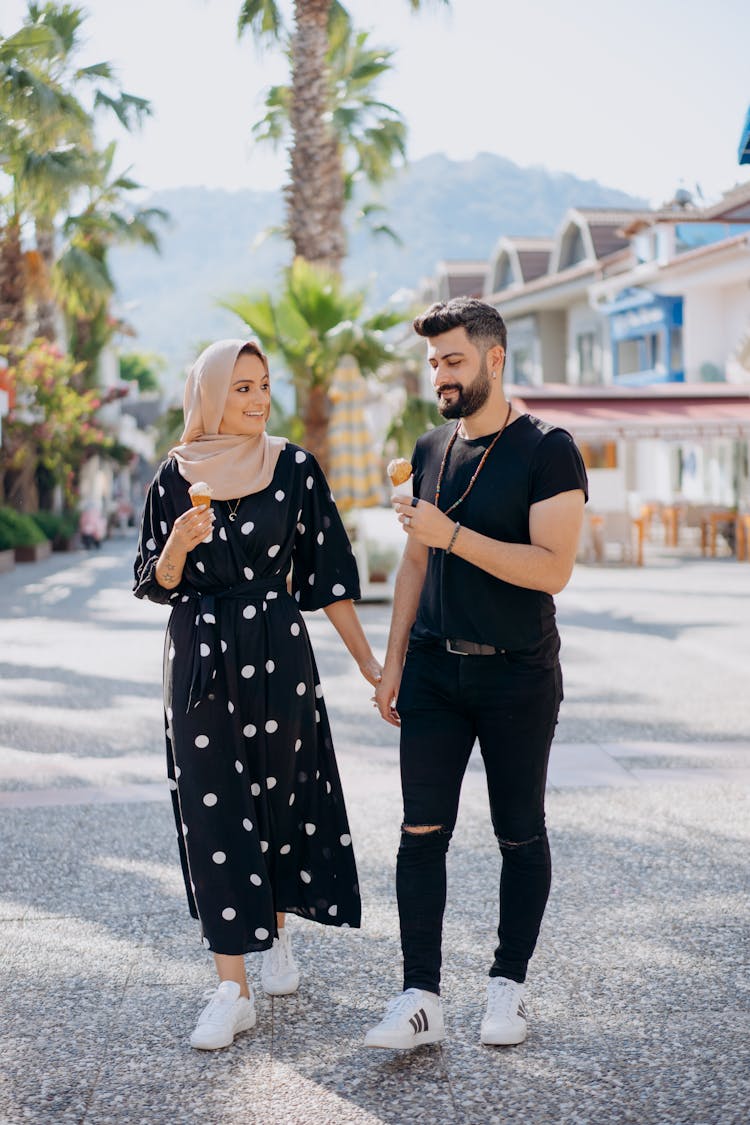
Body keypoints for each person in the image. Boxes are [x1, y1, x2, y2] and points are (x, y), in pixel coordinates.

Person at [134, 339, 381, 1050]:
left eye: (264, 385)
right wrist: (179, 544)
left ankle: (275, 930)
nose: (257, 398)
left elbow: (328, 574)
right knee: (213, 804)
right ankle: (229, 987)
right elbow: (154, 578)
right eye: (241, 387)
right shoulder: (174, 478)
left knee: (281, 792)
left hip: (278, 646)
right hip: (201, 654)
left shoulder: (294, 467)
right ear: (210, 395)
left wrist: (368, 662)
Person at [367, 298, 587, 1050]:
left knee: (518, 832)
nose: (441, 376)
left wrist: (452, 533)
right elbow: (414, 561)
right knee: (419, 831)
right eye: (433, 363)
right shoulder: (430, 448)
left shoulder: (549, 449)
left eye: (453, 360)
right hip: (432, 669)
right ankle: (419, 996)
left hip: (518, 673)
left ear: (495, 358)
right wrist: (391, 662)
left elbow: (552, 568)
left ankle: (507, 986)